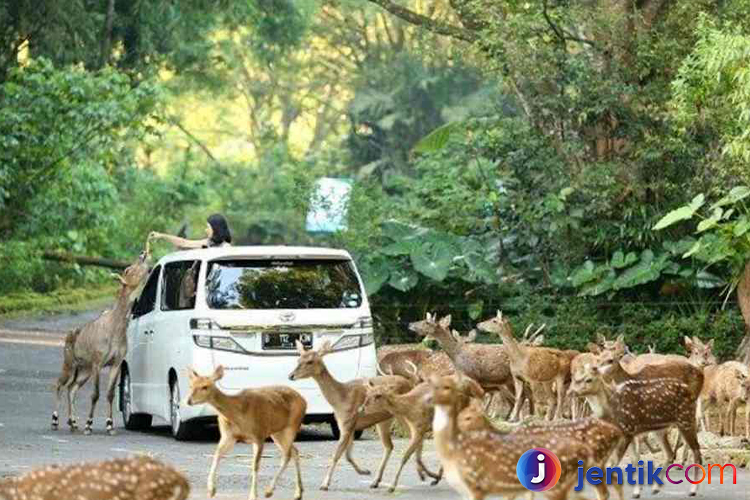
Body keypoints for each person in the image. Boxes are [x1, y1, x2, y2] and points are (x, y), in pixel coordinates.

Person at [150, 213, 233, 249]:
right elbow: (184, 243)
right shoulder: (208, 243)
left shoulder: (226, 248)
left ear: (215, 228)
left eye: (208, 227)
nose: (205, 230)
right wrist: (162, 236)